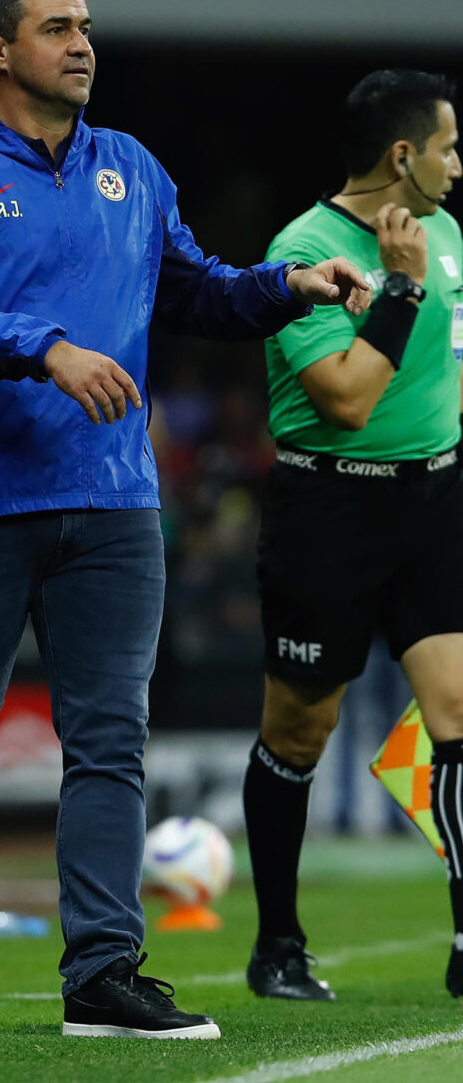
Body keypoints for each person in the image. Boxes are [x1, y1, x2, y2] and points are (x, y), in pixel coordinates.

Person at [0, 0, 369, 1040]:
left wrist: (285, 287)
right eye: (55, 28)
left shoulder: (130, 169)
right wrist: (43, 348)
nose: (82, 44)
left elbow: (192, 289)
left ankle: (101, 970)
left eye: (86, 26)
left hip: (111, 502)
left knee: (109, 739)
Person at [244, 69, 463, 1002]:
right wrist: (402, 291)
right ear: (402, 155)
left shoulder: (450, 234)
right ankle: (278, 945)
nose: (460, 165)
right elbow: (343, 400)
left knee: (456, 713)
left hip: (435, 503)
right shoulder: (304, 247)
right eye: (449, 146)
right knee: (301, 729)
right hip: (329, 508)